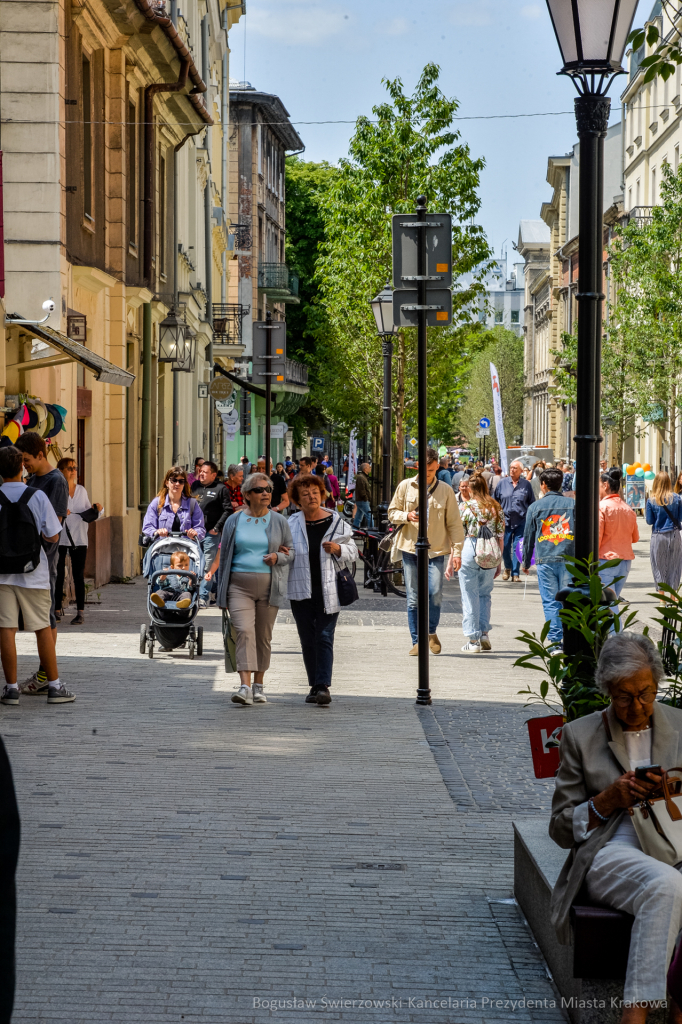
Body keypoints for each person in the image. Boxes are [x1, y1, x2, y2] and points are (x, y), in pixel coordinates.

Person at [549, 632, 682, 1024]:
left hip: (675, 840)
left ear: (656, 684)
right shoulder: (580, 735)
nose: (636, 706)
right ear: (607, 690)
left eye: (645, 693)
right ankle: (635, 1014)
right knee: (665, 885)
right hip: (611, 847)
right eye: (623, 696)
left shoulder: (681, 725)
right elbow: (559, 829)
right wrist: (607, 800)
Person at [205, 472, 294, 707]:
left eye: (268, 490)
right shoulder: (234, 520)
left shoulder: (279, 521)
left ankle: (259, 685)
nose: (266, 493)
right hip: (238, 586)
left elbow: (292, 553)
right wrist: (219, 587)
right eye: (259, 490)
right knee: (243, 631)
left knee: (263, 637)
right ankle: (244, 686)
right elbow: (224, 556)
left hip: (269, 587)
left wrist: (278, 557)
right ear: (247, 495)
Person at [0, 445, 75, 706]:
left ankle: (10, 689)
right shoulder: (37, 496)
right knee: (43, 628)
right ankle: (54, 687)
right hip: (34, 572)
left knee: (5, 630)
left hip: (2, 575)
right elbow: (53, 535)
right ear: (21, 467)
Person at [286, 473, 358, 705]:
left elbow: (353, 552)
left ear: (322, 494)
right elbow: (285, 551)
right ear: (297, 499)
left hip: (330, 589)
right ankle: (314, 684)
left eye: (315, 493)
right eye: (305, 494)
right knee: (307, 639)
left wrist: (338, 548)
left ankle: (323, 686)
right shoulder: (291, 524)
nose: (311, 497)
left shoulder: (337, 522)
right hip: (300, 589)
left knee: (324, 636)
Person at [388, 446, 464, 656]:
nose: (426, 475)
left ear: (437, 467)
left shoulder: (446, 490)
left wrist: (457, 552)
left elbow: (455, 524)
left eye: (430, 471)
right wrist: (406, 516)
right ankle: (417, 641)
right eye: (423, 470)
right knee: (413, 597)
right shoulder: (405, 486)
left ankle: (430, 631)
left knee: (435, 593)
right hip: (410, 548)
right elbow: (392, 512)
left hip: (436, 550)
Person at [14, 432, 68, 696]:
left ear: (39, 454)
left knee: (46, 620)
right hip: (26, 560)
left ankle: (46, 675)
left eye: (26, 460)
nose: (24, 465)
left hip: (44, 560)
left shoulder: (56, 481)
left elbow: (54, 526)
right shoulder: (32, 479)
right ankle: (45, 673)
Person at [521, 467, 575, 650]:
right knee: (568, 600)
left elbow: (528, 537)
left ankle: (555, 642)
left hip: (546, 559)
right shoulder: (572, 504)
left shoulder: (535, 507)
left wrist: (526, 562)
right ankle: (571, 638)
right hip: (569, 558)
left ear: (543, 485)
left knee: (551, 601)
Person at [452, 472, 504, 653]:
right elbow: (500, 536)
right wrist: (499, 561)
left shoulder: (465, 507)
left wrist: (454, 556)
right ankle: (484, 633)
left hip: (470, 548)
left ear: (471, 489)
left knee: (469, 594)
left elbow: (457, 534)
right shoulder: (496, 507)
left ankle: (473, 640)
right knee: (485, 594)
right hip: (490, 551)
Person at [54, 457, 102, 626]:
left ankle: (80, 612)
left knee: (78, 576)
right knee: (58, 575)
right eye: (69, 468)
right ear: (61, 471)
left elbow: (87, 511)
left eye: (75, 467)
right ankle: (56, 610)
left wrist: (98, 510)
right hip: (60, 537)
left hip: (79, 538)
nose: (74, 470)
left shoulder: (81, 490)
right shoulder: (57, 489)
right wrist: (60, 512)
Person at [190, 460, 232, 608]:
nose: (201, 474)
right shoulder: (194, 486)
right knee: (193, 564)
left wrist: (216, 527)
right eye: (200, 471)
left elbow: (228, 510)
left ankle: (203, 597)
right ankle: (192, 594)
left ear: (213, 475)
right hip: (193, 534)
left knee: (207, 565)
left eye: (205, 472)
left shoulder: (221, 489)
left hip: (210, 534)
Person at [599, 467, 639, 596]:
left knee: (606, 603)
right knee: (612, 601)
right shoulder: (628, 509)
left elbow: (597, 538)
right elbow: (635, 538)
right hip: (625, 560)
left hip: (606, 560)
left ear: (605, 485)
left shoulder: (601, 507)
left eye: (599, 485)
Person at [494, 459, 535, 582]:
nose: (512, 470)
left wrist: (529, 516)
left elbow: (531, 502)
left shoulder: (526, 485)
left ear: (521, 471)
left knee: (518, 546)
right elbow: (495, 501)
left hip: (521, 521)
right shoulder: (502, 483)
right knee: (505, 546)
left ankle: (515, 573)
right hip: (504, 521)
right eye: (511, 467)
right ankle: (507, 567)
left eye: (515, 468)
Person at [142, 467, 205, 541]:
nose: (177, 484)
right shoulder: (157, 503)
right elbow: (148, 527)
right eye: (173, 480)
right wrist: (156, 532)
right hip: (162, 548)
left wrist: (195, 533)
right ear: (166, 483)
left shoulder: (192, 504)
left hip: (186, 548)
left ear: (184, 484)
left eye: (181, 481)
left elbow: (200, 528)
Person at [646, 470, 682, 592]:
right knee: (675, 566)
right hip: (674, 534)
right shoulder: (677, 498)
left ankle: (662, 599)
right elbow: (680, 518)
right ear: (668, 483)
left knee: (659, 567)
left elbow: (649, 521)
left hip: (658, 535)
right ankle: (674, 598)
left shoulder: (651, 500)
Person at [352, 462, 373, 528]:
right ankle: (371, 530)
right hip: (362, 500)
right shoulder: (361, 477)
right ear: (365, 469)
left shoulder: (363, 477)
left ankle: (354, 529)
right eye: (369, 467)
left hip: (361, 500)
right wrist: (366, 498)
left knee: (358, 516)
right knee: (369, 515)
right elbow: (362, 490)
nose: (370, 468)